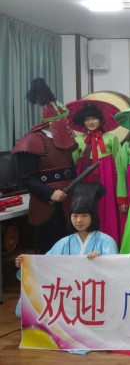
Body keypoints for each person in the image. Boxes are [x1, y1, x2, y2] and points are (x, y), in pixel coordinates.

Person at [15, 182, 118, 326]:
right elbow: (45, 266)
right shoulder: (64, 243)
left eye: (84, 215)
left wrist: (102, 260)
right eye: (75, 216)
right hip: (69, 296)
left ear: (93, 216)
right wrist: (26, 265)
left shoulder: (106, 241)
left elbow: (116, 271)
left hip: (96, 297)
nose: (79, 220)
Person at [12, 78, 77, 253]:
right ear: (53, 122)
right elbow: (25, 177)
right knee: (49, 249)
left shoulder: (64, 142)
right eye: (64, 120)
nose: (67, 124)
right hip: (45, 205)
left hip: (67, 203)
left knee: (69, 249)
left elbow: (71, 171)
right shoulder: (32, 141)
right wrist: (50, 193)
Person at [68, 99, 121, 244]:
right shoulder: (78, 140)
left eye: (94, 118)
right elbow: (74, 162)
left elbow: (118, 162)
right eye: (87, 119)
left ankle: (109, 241)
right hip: (85, 178)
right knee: (87, 207)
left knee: (107, 205)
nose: (90, 122)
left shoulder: (111, 138)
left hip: (107, 178)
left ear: (101, 120)